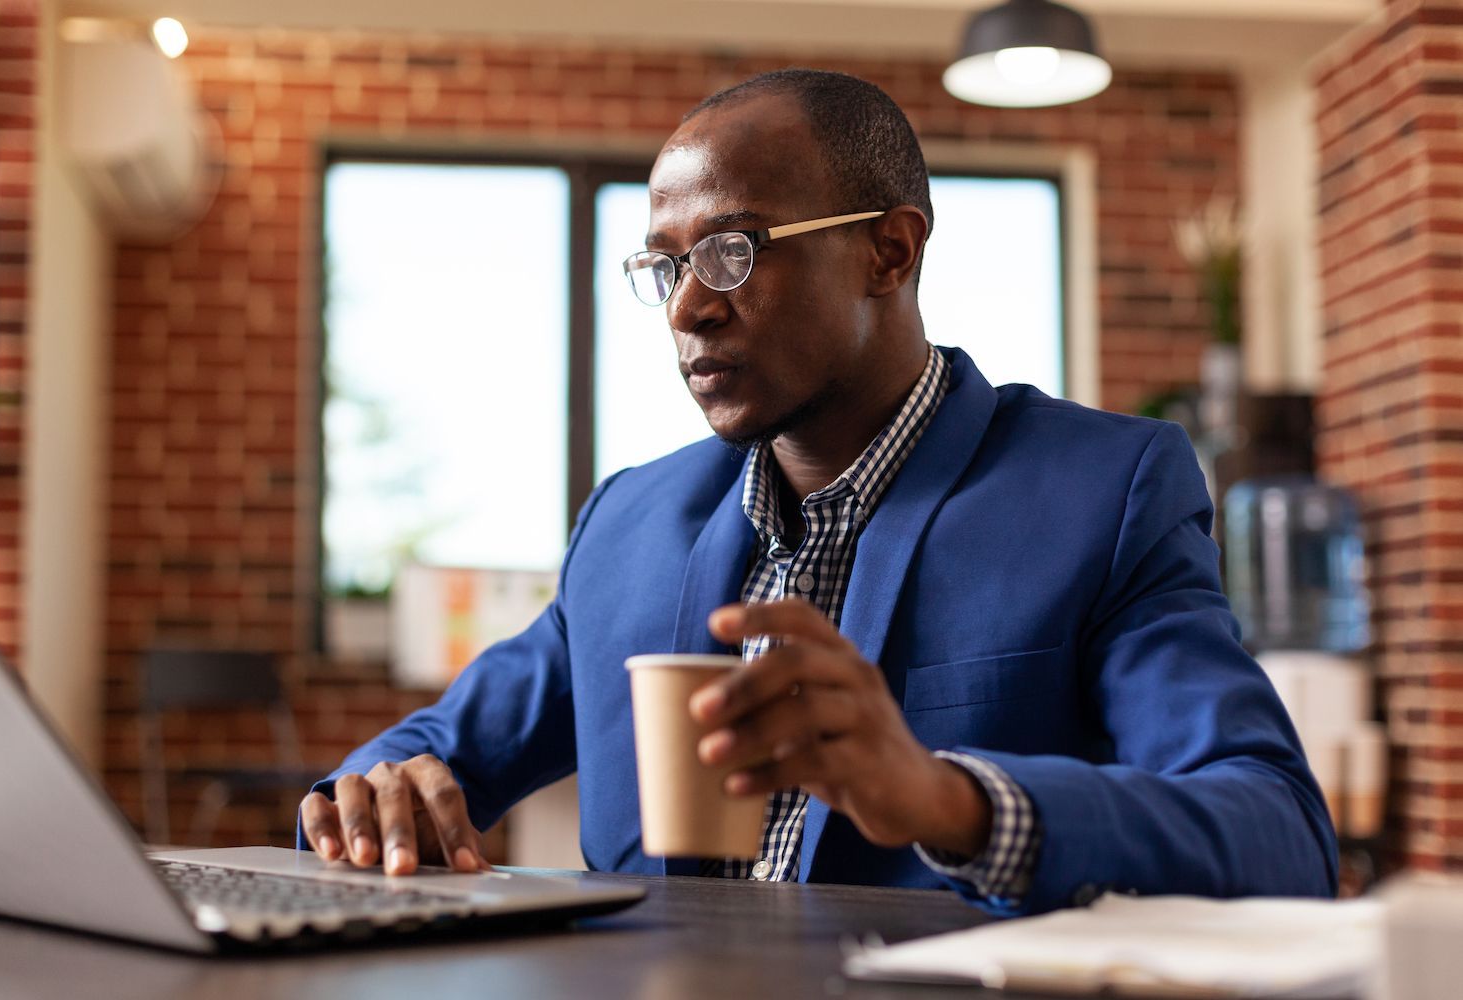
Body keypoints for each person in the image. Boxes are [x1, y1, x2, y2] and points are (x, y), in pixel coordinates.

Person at [299, 69, 1336, 915]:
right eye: (666, 267)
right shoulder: (631, 524)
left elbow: (1277, 831)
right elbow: (437, 747)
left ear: (890, 250)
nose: (688, 309)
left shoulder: (1102, 491)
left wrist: (949, 798)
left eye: (733, 250)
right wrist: (381, 791)